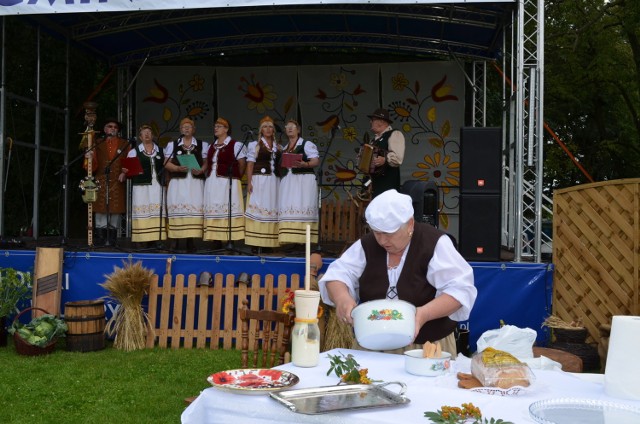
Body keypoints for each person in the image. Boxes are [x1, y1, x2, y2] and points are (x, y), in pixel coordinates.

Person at [318, 189, 476, 354]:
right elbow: (338, 274)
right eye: (377, 232)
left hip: (425, 347)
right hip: (371, 345)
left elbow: (461, 289)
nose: (382, 240)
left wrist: (423, 314)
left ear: (410, 224)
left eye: (389, 233)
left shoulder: (434, 243)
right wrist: (342, 298)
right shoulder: (367, 245)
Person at [82, 118, 129, 246]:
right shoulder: (97, 143)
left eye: (115, 127)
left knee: (115, 210)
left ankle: (112, 240)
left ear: (118, 130)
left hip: (117, 181)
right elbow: (92, 166)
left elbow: (130, 162)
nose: (112, 128)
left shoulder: (125, 144)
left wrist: (125, 173)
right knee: (100, 210)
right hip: (101, 180)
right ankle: (101, 240)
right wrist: (89, 158)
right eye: (110, 126)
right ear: (105, 129)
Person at [163, 117, 207, 252]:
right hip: (178, 182)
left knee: (193, 209)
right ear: (180, 129)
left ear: (194, 129)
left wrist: (201, 170)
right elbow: (166, 163)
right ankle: (175, 240)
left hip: (194, 182)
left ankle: (190, 241)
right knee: (178, 209)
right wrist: (176, 168)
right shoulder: (173, 144)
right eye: (183, 127)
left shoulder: (202, 144)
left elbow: (206, 162)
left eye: (189, 127)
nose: (186, 129)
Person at [202, 117, 247, 245]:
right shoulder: (212, 146)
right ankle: (216, 240)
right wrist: (200, 171)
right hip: (212, 181)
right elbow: (208, 163)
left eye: (219, 126)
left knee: (228, 209)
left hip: (228, 182)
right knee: (215, 210)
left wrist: (236, 176)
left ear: (226, 129)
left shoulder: (235, 144)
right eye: (215, 126)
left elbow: (242, 163)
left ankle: (229, 239)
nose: (215, 128)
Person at [122, 124, 167, 246]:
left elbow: (167, 166)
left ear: (153, 135)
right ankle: (141, 240)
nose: (147, 134)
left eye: (149, 132)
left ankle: (157, 239)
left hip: (157, 185)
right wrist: (124, 173)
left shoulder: (162, 151)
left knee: (157, 211)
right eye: (144, 133)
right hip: (141, 186)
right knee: (142, 211)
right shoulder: (134, 152)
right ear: (140, 137)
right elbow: (128, 169)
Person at [278, 119, 319, 245]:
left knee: (303, 205)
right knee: (290, 206)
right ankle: (291, 240)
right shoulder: (285, 147)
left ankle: (304, 241)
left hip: (303, 180)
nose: (290, 128)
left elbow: (315, 161)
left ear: (298, 130)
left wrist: (304, 164)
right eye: (287, 127)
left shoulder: (306, 144)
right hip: (289, 181)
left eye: (293, 126)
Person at [244, 116, 282, 250]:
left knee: (271, 208)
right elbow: (249, 165)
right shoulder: (255, 145)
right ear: (261, 130)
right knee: (258, 209)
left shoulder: (278, 147)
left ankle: (269, 243)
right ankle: (256, 243)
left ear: (273, 130)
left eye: (270, 127)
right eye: (265, 127)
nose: (268, 129)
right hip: (260, 180)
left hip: (274, 181)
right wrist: (249, 183)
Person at [366, 108, 405, 198]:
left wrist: (385, 160)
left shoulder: (394, 134)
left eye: (372, 120)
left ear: (381, 122)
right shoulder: (374, 140)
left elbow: (398, 159)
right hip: (376, 186)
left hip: (388, 186)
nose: (370, 122)